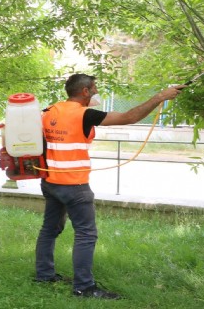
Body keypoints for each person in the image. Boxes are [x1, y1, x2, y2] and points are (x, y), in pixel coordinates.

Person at [34, 73, 185, 299]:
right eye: (94, 88)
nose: (96, 91)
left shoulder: (49, 111)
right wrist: (160, 97)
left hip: (50, 182)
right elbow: (128, 117)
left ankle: (44, 275)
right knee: (86, 234)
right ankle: (84, 287)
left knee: (50, 229)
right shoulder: (85, 114)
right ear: (84, 91)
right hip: (75, 186)